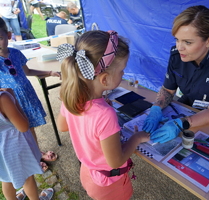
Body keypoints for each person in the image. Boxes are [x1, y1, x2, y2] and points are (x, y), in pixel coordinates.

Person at [56, 30, 150, 200]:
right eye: (122, 71)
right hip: (110, 184)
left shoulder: (70, 96)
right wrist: (135, 138)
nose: (123, 75)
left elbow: (63, 126)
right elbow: (115, 161)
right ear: (104, 79)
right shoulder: (105, 114)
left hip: (88, 172)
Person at [143, 5, 209, 144]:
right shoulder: (177, 54)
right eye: (177, 39)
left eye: (187, 42)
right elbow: (168, 89)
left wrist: (182, 123)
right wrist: (156, 108)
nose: (180, 47)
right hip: (189, 104)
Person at [0, 17, 60, 171]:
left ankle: (35, 154)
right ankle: (31, 159)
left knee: (31, 128)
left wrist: (50, 72)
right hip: (12, 104)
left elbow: (28, 71)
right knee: (20, 132)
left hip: (27, 97)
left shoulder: (16, 53)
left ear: (8, 35)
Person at [0, 88, 54, 200]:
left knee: (6, 179)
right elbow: (23, 126)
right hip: (14, 147)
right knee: (28, 178)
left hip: (1, 154)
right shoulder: (3, 98)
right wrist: (13, 98)